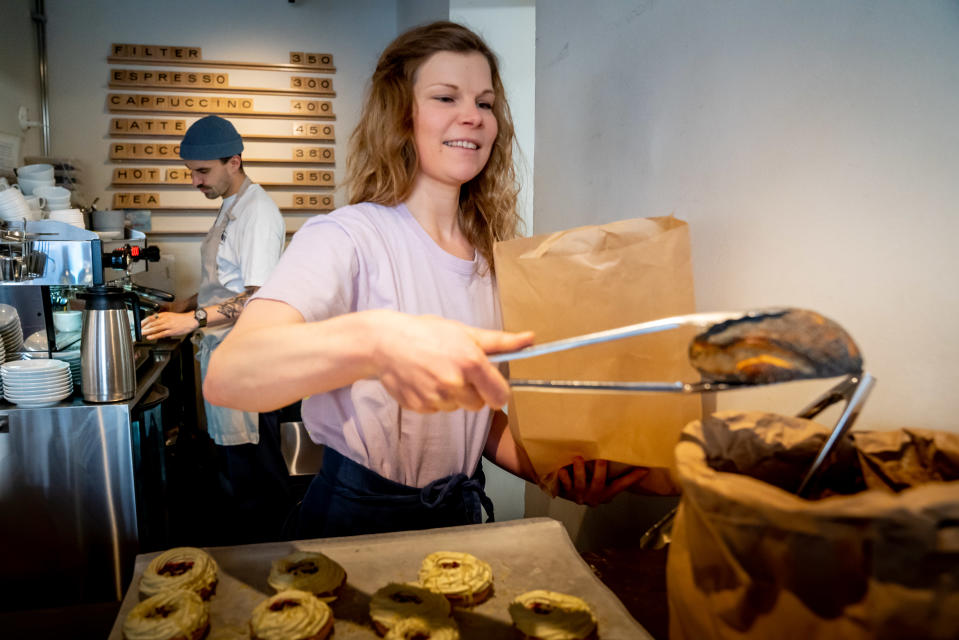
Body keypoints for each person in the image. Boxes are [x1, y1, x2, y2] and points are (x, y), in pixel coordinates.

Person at [203, 22, 647, 538]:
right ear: (401, 116)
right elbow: (230, 375)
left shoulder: (491, 259)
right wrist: (375, 341)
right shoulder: (347, 236)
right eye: (445, 97)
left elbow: (472, 413)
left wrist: (548, 472)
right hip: (357, 519)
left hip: (457, 514)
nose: (472, 117)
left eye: (485, 103)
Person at [140, 115, 296, 542]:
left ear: (235, 161)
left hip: (250, 367)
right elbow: (222, 282)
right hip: (226, 361)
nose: (195, 182)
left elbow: (256, 297)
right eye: (191, 172)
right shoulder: (230, 207)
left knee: (258, 485)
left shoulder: (257, 212)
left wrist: (191, 320)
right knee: (236, 477)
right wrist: (184, 304)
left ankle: (277, 571)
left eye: (202, 172)